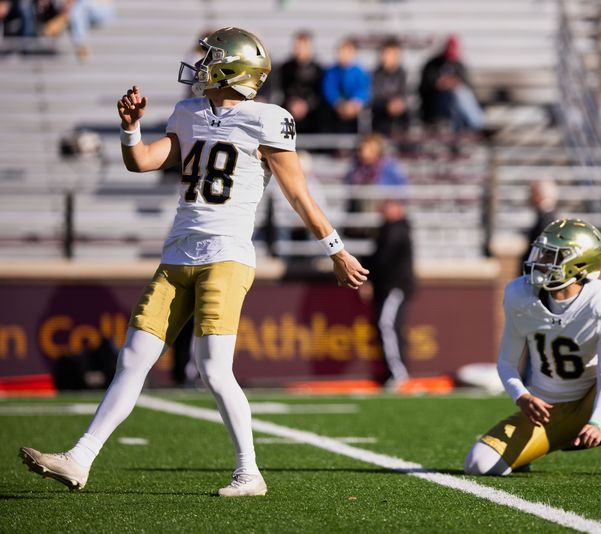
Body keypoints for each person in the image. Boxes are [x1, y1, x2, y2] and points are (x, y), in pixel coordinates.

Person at [19, 27, 368, 496]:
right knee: (133, 357)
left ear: (233, 68)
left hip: (226, 255)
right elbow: (141, 161)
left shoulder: (268, 119)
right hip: (177, 252)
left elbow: (298, 194)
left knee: (213, 368)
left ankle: (249, 472)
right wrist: (130, 126)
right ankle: (79, 458)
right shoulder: (188, 112)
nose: (201, 65)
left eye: (211, 58)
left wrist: (336, 249)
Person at [464, 218, 601, 477]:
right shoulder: (520, 294)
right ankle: (530, 451)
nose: (541, 260)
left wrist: (596, 421)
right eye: (542, 252)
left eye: (552, 255)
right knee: (477, 465)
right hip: (545, 410)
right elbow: (506, 363)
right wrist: (522, 396)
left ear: (580, 263)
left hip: (590, 402)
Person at [362, 197, 415, 389]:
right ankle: (393, 372)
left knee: (387, 325)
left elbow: (383, 260)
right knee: (387, 326)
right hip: (388, 287)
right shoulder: (387, 230)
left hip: (394, 287)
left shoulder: (397, 230)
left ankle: (398, 373)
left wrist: (368, 275)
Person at [418, 35, 484, 133]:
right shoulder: (432, 65)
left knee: (460, 93)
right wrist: (442, 85)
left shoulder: (459, 66)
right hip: (435, 104)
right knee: (456, 94)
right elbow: (425, 88)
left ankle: (477, 124)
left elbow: (467, 86)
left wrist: (455, 84)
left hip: (457, 106)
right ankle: (478, 126)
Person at [321, 37, 370, 133]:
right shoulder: (331, 72)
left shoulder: (360, 72)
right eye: (342, 52)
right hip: (335, 112)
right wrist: (339, 104)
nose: (344, 55)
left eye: (348, 52)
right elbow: (329, 90)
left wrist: (354, 104)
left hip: (355, 112)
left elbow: (363, 90)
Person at [279, 30, 323, 134]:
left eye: (303, 47)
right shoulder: (285, 68)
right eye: (297, 47)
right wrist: (292, 102)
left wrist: (306, 105)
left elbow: (319, 93)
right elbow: (281, 90)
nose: (300, 51)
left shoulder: (318, 69)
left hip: (312, 116)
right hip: (289, 112)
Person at [371, 37, 409, 137]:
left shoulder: (402, 73)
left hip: (398, 110)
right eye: (388, 53)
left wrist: (399, 103)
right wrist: (388, 104)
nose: (390, 57)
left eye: (393, 54)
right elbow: (375, 95)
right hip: (381, 111)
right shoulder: (376, 73)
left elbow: (404, 93)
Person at [519, 179, 559, 270]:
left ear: (539, 195)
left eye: (532, 192)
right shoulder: (543, 216)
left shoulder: (548, 220)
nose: (530, 197)